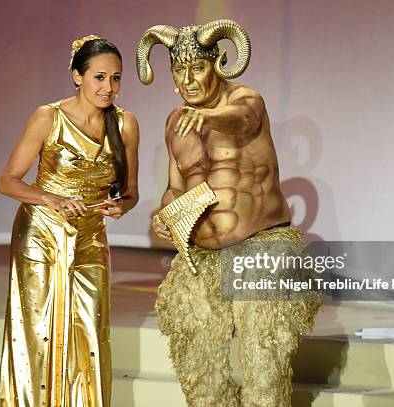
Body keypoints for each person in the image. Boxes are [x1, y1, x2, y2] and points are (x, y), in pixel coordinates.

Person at [137, 20, 321, 406]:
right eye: (178, 69)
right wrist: (165, 212)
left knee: (263, 361)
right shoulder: (175, 123)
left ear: (218, 63)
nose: (187, 79)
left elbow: (242, 120)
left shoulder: (246, 101)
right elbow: (176, 185)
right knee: (198, 364)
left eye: (198, 68)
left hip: (261, 247)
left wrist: (208, 117)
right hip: (202, 258)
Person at [0, 35, 139, 407]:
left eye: (116, 78)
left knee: (90, 335)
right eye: (100, 77)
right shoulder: (49, 117)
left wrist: (122, 206)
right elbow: (7, 181)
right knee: (39, 335)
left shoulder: (125, 124)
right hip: (41, 233)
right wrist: (51, 198)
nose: (109, 87)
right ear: (77, 76)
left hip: (90, 237)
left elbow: (130, 191)